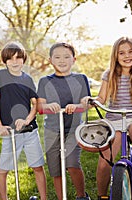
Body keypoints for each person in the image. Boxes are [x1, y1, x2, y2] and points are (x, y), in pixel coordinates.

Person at [82, 37, 132, 199]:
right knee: (105, 161)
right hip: (113, 119)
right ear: (116, 56)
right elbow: (102, 98)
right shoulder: (109, 73)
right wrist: (92, 101)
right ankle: (102, 195)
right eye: (122, 53)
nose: (127, 56)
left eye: (131, 51)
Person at [0, 41, 47, 200]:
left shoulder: (28, 79)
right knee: (3, 170)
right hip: (9, 132)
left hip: (30, 131)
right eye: (10, 59)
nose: (14, 62)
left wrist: (27, 120)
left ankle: (44, 198)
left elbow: (35, 104)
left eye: (18, 58)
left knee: (37, 167)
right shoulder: (0, 76)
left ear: (24, 59)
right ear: (5, 61)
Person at [37, 42, 91, 200]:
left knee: (72, 163)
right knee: (56, 169)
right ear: (50, 60)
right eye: (58, 57)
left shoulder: (80, 79)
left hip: (73, 130)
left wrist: (77, 106)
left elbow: (86, 103)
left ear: (74, 59)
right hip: (52, 131)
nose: (62, 60)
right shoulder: (45, 81)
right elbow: (40, 107)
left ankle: (81, 196)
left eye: (67, 57)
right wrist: (49, 106)